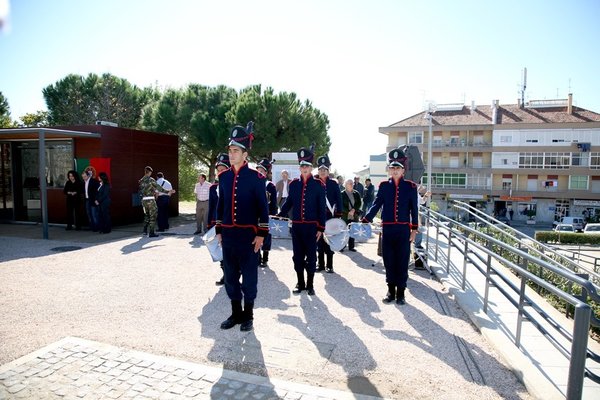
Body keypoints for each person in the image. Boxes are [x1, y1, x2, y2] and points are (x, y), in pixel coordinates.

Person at [216, 122, 269, 332]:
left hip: (248, 237)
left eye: (235, 150)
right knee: (229, 277)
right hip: (228, 235)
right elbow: (220, 205)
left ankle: (248, 315)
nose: (231, 154)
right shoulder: (224, 177)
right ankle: (235, 313)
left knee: (249, 278)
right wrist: (219, 230)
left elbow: (263, 209)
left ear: (245, 154)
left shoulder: (257, 178)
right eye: (230, 150)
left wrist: (261, 235)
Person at [363, 148, 419, 305]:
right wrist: (366, 218)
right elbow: (376, 204)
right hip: (387, 229)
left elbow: (414, 209)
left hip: (403, 230)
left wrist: (414, 229)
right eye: (392, 168)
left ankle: (401, 293)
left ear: (403, 170)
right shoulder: (383, 186)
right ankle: (391, 291)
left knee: (402, 261)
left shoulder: (411, 187)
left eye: (398, 168)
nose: (395, 171)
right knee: (388, 260)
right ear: (389, 169)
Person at [278, 145, 326, 296]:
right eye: (302, 166)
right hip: (297, 226)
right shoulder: (294, 184)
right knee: (297, 256)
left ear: (311, 168)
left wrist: (320, 228)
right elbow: (289, 203)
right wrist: (280, 214)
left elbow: (321, 207)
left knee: (311, 256)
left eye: (307, 166)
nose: (304, 168)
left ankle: (310, 284)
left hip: (312, 227)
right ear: (299, 168)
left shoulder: (318, 185)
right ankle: (300, 282)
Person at [315, 154, 343, 273]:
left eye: (324, 170)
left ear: (328, 171)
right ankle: (320, 264)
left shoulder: (333, 184)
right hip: (317, 217)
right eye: (320, 169)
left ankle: (329, 265)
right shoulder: (314, 182)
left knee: (330, 241)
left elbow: (339, 199)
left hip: (329, 216)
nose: (322, 172)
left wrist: (338, 216)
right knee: (319, 240)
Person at [207, 153, 230, 286]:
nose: (220, 172)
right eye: (218, 170)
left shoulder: (234, 186)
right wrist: (210, 224)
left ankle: (234, 275)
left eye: (223, 170)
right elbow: (212, 208)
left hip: (231, 224)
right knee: (221, 250)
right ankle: (225, 275)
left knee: (232, 251)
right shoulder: (212, 188)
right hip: (218, 224)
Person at [139, 166, 175, 238]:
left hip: (143, 200)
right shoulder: (151, 179)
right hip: (150, 200)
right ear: (150, 172)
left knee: (146, 215)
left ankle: (145, 231)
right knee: (153, 216)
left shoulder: (141, 180)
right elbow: (159, 188)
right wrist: (168, 192)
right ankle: (151, 233)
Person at [256, 158, 278, 268]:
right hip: (255, 215)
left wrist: (273, 215)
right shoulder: (253, 183)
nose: (259, 172)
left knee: (266, 236)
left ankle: (265, 258)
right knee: (255, 235)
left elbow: (273, 202)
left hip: (267, 214)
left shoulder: (270, 186)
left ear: (265, 172)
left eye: (261, 170)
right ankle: (257, 256)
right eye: (258, 170)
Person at [341, 179, 362, 252]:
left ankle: (351, 246)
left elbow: (359, 203)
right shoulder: (342, 193)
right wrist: (348, 211)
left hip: (354, 214)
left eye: (352, 183)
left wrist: (353, 210)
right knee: (344, 231)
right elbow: (341, 205)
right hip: (345, 215)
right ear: (346, 184)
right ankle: (342, 246)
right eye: (350, 183)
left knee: (352, 231)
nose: (351, 184)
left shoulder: (356, 193)